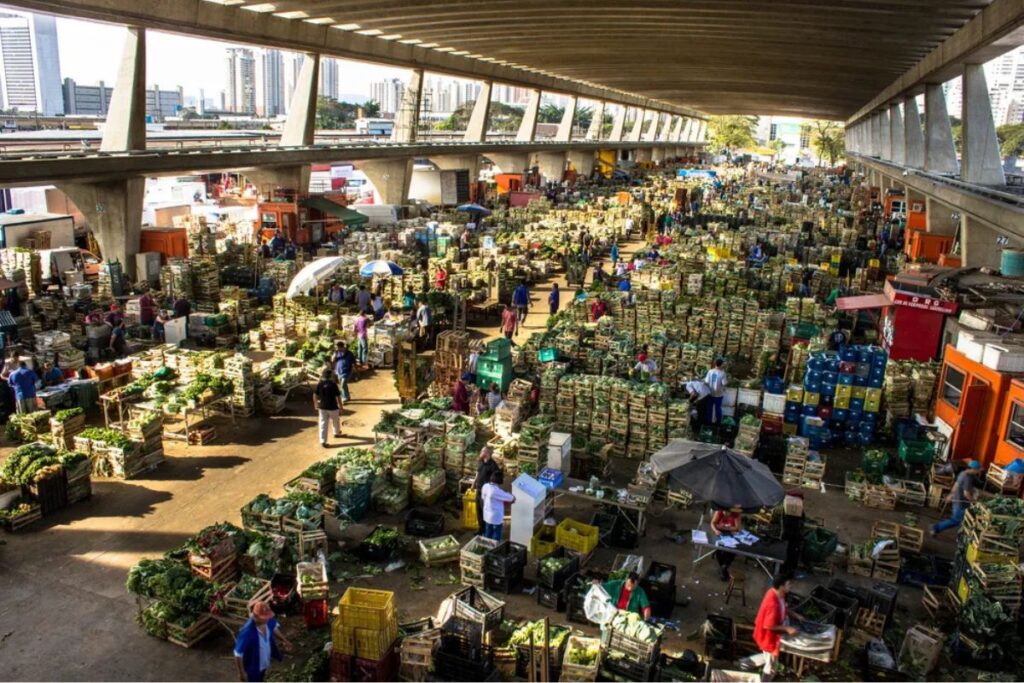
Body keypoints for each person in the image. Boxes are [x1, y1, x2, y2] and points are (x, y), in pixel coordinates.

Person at [752, 574, 799, 677]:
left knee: (769, 658)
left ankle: (745, 664)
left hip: (772, 636)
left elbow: (784, 607)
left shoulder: (777, 593)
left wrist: (796, 615)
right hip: (768, 637)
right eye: (789, 584)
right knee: (770, 666)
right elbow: (768, 626)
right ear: (781, 586)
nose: (791, 586)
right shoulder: (772, 604)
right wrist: (787, 628)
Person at [233, 601, 292, 682]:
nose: (267, 619)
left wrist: (284, 640)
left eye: (268, 617)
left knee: (261, 677)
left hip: (264, 663)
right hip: (253, 666)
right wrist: (241, 673)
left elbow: (274, 628)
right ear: (255, 617)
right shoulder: (246, 632)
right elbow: (238, 654)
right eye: (264, 617)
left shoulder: (268, 620)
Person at [932, 460, 981, 536]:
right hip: (960, 503)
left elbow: (956, 485)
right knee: (956, 520)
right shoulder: (967, 478)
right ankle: (936, 528)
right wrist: (974, 501)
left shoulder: (962, 473)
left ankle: (937, 528)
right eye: (978, 470)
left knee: (959, 520)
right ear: (974, 469)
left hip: (956, 500)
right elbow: (966, 494)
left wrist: (951, 495)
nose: (978, 472)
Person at [473, 447, 502, 532]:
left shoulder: (493, 466)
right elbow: (477, 473)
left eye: (482, 451)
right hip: (478, 489)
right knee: (478, 509)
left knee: (485, 510)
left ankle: (487, 529)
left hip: (486, 493)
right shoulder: (481, 461)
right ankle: (481, 528)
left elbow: (498, 481)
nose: (480, 452)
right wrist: (473, 484)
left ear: (487, 453)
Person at [712, 505, 743, 580]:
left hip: (731, 534)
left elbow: (737, 527)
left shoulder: (736, 514)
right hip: (720, 534)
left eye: (728, 512)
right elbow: (713, 523)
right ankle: (724, 568)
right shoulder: (719, 512)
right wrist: (716, 530)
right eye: (724, 512)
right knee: (719, 551)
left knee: (731, 551)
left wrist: (726, 528)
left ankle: (724, 568)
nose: (725, 514)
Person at [480, 472, 515, 541]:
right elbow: (511, 498)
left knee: (488, 533)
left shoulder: (485, 486)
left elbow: (483, 498)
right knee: (496, 537)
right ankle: (495, 549)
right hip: (495, 517)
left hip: (487, 514)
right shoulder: (496, 491)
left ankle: (487, 547)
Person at [313, 368, 342, 448]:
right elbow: (338, 396)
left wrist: (316, 404)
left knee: (323, 424)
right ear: (330, 376)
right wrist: (341, 407)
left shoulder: (320, 384)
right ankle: (336, 433)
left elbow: (315, 395)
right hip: (333, 407)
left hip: (322, 407)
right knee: (336, 421)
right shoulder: (333, 384)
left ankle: (323, 441)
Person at [705, 358, 728, 426]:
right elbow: (724, 383)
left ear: (715, 364)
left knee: (709, 409)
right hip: (718, 395)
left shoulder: (710, 371)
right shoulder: (723, 373)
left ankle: (708, 424)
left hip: (710, 393)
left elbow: (706, 382)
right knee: (718, 409)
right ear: (721, 365)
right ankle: (718, 424)